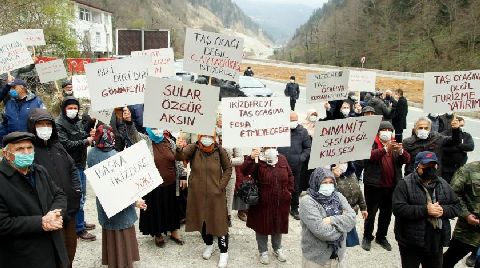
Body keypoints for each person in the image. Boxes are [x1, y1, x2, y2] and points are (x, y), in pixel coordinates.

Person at [0, 132, 69, 268]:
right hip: (22, 256)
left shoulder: (39, 171)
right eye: (19, 149)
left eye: (29, 148)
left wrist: (54, 214)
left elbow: (59, 194)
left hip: (53, 247)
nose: (26, 152)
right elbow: (2, 223)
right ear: (6, 154)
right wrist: (40, 222)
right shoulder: (2, 180)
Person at [27, 108, 81, 267]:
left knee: (70, 249)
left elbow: (72, 168)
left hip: (68, 210)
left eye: (48, 124)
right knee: (55, 254)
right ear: (32, 127)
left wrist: (77, 190)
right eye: (40, 124)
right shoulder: (30, 151)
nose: (45, 128)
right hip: (49, 213)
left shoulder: (58, 146)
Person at [87, 124, 147, 268]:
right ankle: (123, 263)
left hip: (104, 203)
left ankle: (113, 261)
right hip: (120, 206)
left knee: (111, 235)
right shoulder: (113, 155)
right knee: (122, 236)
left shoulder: (91, 153)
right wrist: (135, 202)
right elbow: (121, 188)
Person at [392, 151, 461, 268]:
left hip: (435, 240)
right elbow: (398, 208)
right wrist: (425, 210)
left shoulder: (443, 184)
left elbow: (456, 206)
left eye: (433, 166)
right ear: (417, 166)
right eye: (425, 166)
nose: (430, 169)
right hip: (411, 241)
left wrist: (442, 210)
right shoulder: (405, 184)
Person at [175, 131, 232, 268]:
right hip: (197, 194)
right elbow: (180, 156)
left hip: (216, 194)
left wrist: (221, 186)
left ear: (214, 138)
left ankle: (224, 252)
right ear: (200, 137)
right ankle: (209, 245)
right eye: (204, 136)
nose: (207, 139)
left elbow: (228, 168)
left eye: (210, 137)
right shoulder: (194, 148)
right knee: (202, 221)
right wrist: (178, 147)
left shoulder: (220, 150)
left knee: (219, 223)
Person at [361, 121, 411, 252]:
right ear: (378, 132)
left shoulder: (395, 144)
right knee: (371, 213)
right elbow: (369, 157)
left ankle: (381, 236)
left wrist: (401, 151)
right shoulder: (371, 142)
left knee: (386, 213)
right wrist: (384, 149)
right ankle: (367, 236)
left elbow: (406, 160)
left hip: (391, 186)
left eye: (390, 130)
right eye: (384, 130)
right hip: (373, 185)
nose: (387, 132)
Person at [240, 147, 294, 264]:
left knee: (278, 224)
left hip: (280, 201)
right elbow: (244, 171)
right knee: (262, 226)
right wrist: (251, 158)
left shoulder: (282, 159)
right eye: (267, 145)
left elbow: (290, 176)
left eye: (272, 145)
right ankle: (263, 251)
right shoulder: (257, 160)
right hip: (262, 201)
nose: (270, 147)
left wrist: (289, 192)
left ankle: (277, 248)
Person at [56, 96, 97, 241]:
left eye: (75, 108)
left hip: (80, 163)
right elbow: (66, 144)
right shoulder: (59, 123)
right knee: (77, 197)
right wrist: (86, 141)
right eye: (69, 108)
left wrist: (89, 135)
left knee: (83, 195)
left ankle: (80, 221)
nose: (73, 110)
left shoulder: (78, 122)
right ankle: (79, 229)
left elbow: (81, 136)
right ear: (64, 109)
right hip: (70, 166)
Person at [139, 128, 188, 247]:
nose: (157, 131)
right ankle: (158, 233)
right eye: (154, 128)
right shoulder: (144, 141)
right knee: (156, 209)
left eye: (158, 127)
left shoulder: (170, 142)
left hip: (171, 183)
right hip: (154, 186)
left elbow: (178, 160)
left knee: (172, 208)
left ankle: (174, 231)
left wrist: (182, 175)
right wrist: (129, 121)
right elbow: (131, 133)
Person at [299, 168, 356, 267]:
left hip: (338, 256)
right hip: (316, 260)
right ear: (316, 183)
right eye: (324, 182)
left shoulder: (338, 196)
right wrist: (343, 227)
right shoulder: (307, 201)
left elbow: (352, 218)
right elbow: (322, 231)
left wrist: (331, 220)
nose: (328, 185)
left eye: (331, 182)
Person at [443, 161, 480, 268]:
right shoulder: (468, 170)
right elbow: (453, 193)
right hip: (468, 231)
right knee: (448, 260)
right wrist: (466, 214)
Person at [278, 111, 312, 220]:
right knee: (279, 186)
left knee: (295, 186)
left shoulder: (303, 132)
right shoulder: (279, 130)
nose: (293, 122)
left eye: (295, 120)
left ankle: (294, 207)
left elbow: (308, 148)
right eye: (291, 120)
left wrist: (301, 158)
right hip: (280, 165)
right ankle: (280, 206)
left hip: (295, 165)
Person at [215, 112, 244, 227]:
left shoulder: (233, 137)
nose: (221, 121)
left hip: (229, 174)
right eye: (219, 118)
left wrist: (229, 161)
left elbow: (240, 159)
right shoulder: (210, 136)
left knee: (227, 199)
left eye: (223, 118)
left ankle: (226, 219)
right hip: (213, 174)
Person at [331, 162, 367, 247]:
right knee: (334, 244)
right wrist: (333, 176)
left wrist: (363, 207)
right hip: (337, 216)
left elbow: (358, 189)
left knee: (346, 244)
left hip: (350, 214)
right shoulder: (329, 173)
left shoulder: (352, 172)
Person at [440, 116, 474, 183]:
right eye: (459, 125)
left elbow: (470, 147)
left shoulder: (466, 135)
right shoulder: (445, 134)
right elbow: (443, 148)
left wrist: (458, 146)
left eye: (462, 125)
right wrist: (461, 148)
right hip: (447, 169)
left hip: (460, 168)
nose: (461, 127)